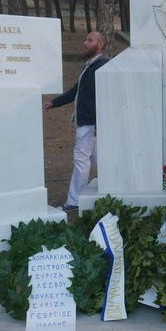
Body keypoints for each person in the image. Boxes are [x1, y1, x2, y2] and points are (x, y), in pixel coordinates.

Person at [44, 31, 109, 211]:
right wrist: (54, 102)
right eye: (85, 39)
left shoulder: (102, 66)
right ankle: (115, 186)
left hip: (90, 123)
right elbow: (75, 91)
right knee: (99, 160)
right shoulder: (91, 65)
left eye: (90, 40)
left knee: (81, 160)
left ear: (100, 45)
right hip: (88, 123)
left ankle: (73, 202)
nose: (84, 43)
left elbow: (105, 96)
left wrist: (97, 123)